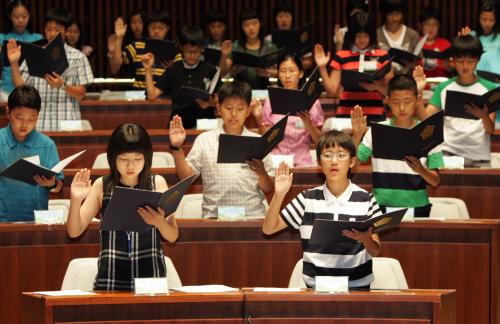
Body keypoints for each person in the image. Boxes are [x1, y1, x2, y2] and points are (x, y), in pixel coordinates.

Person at [262, 131, 382, 289]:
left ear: (352, 161)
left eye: (341, 155)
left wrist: (366, 239)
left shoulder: (367, 199)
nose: (334, 161)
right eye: (327, 155)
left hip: (357, 288)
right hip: (315, 289)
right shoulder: (307, 199)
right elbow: (269, 229)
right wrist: (279, 195)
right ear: (318, 162)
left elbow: (376, 251)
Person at [67, 123, 178, 290]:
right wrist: (75, 200)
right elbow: (74, 231)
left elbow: (173, 236)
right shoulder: (102, 186)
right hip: (110, 277)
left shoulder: (157, 183)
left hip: (151, 280)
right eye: (124, 159)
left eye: (137, 159)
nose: (131, 166)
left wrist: (160, 222)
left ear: (147, 158)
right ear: (113, 158)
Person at [168, 81, 274, 218]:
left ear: (248, 111)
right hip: (214, 218)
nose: (234, 114)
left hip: (252, 217)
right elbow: (185, 177)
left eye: (240, 109)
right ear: (218, 108)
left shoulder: (259, 142)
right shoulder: (204, 140)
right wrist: (177, 148)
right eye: (228, 108)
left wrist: (261, 172)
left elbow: (269, 188)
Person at [352, 74, 443, 218]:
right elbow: (353, 166)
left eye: (407, 101)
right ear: (387, 101)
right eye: (395, 102)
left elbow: (436, 181)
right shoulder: (376, 132)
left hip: (418, 207)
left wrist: (420, 169)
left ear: (417, 100)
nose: (402, 107)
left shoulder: (428, 132)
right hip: (381, 207)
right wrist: (357, 136)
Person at [6, 7, 94, 131]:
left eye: (57, 29)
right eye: (48, 29)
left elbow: (81, 94)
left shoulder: (78, 57)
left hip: (67, 125)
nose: (52, 33)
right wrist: (14, 63)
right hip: (39, 125)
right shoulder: (34, 54)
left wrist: (62, 85)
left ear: (65, 31)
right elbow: (20, 88)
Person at [423, 34, 497, 167]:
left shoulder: (489, 88)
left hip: (479, 156)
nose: (465, 66)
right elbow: (425, 118)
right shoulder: (443, 87)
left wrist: (483, 116)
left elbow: (491, 130)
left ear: (478, 60)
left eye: (470, 61)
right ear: (453, 60)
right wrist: (418, 97)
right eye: (460, 61)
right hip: (449, 152)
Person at [0, 85, 63, 222]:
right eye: (19, 118)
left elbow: (59, 187)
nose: (25, 124)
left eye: (31, 119)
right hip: (3, 219)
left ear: (38, 116)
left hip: (37, 220)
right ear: (7, 112)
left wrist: (51, 184)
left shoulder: (47, 145)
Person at [315, 11, 393, 122]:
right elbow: (332, 91)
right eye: (358, 36)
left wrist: (377, 87)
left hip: (375, 114)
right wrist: (322, 67)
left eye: (366, 36)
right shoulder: (341, 56)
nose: (362, 40)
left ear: (372, 36)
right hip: (346, 114)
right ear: (352, 36)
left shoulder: (383, 56)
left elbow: (391, 92)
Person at [254, 54, 324, 166]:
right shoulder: (271, 99)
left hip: (302, 162)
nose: (287, 75)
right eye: (282, 71)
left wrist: (308, 123)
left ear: (301, 73)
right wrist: (259, 119)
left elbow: (320, 141)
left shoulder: (313, 102)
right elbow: (266, 139)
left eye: (292, 70)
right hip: (276, 162)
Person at [144, 25, 219, 129]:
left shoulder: (210, 69)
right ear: (182, 48)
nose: (192, 55)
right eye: (188, 51)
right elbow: (152, 95)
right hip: (178, 124)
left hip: (205, 124)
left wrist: (209, 104)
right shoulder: (174, 69)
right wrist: (147, 69)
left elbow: (221, 101)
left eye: (196, 51)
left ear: (202, 49)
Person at [109, 10, 174, 88]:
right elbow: (114, 68)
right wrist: (119, 38)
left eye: (161, 27)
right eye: (152, 27)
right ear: (147, 28)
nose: (156, 31)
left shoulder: (174, 49)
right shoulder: (136, 46)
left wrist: (173, 70)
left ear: (168, 29)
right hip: (139, 95)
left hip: (164, 97)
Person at [224, 9, 278, 90]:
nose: (251, 28)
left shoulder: (270, 46)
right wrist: (224, 55)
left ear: (260, 24)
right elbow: (223, 72)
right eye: (246, 25)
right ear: (241, 27)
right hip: (240, 92)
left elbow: (279, 72)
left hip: (265, 91)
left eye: (254, 23)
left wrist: (267, 73)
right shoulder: (236, 46)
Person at [0, 0, 43, 100]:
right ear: (10, 17)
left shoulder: (38, 38)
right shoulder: (2, 38)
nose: (20, 20)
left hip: (31, 89)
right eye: (16, 16)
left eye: (24, 16)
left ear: (29, 16)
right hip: (7, 88)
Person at [266, 1, 315, 73]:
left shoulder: (300, 37)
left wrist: (291, 67)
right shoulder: (268, 40)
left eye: (287, 16)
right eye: (280, 16)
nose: (284, 20)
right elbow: (265, 64)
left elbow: (308, 62)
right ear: (275, 18)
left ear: (292, 18)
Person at [376, 0, 420, 74]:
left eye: (398, 14)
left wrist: (411, 64)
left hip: (407, 81)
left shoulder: (412, 34)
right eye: (391, 14)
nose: (395, 18)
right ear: (385, 15)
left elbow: (418, 64)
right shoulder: (377, 35)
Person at [107, 9, 145, 78]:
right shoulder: (123, 41)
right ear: (128, 24)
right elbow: (114, 70)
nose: (137, 25)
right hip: (127, 84)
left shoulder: (149, 42)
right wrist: (112, 52)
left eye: (140, 22)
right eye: (133, 22)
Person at [418, 6, 452, 78]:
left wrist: (447, 64)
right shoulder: (415, 43)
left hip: (440, 85)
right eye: (427, 24)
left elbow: (452, 70)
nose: (431, 28)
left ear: (439, 26)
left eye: (434, 24)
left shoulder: (446, 44)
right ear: (420, 26)